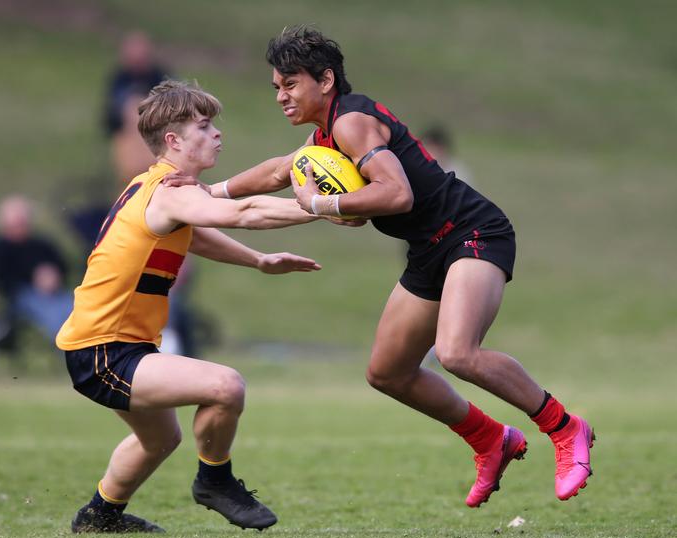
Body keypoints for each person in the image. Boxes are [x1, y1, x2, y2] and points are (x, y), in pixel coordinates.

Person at [195, 26, 595, 508]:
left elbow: (397, 193)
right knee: (388, 372)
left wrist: (325, 207)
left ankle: (565, 427)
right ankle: (491, 438)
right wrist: (209, 193)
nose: (281, 96)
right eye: (277, 87)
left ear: (325, 80)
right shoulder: (326, 132)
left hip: (471, 231)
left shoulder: (351, 123)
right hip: (429, 249)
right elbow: (281, 169)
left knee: (457, 352)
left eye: (290, 84)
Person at [56, 80, 321, 533]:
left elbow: (194, 235)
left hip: (107, 345)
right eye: (204, 125)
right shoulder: (169, 192)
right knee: (225, 386)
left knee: (160, 438)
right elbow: (242, 213)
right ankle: (214, 481)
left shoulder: (156, 187)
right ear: (173, 141)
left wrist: (258, 261)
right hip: (104, 351)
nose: (216, 133)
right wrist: (319, 206)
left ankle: (99, 517)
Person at [0, 195, 74, 346]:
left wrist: (54, 276)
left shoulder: (42, 244)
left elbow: (63, 266)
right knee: (51, 313)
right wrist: (35, 279)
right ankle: (66, 348)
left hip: (55, 293)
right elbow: (3, 280)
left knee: (76, 306)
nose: (20, 228)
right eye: (15, 224)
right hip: (22, 296)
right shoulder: (1, 248)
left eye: (23, 222)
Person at [103, 31, 168, 187]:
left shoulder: (159, 77)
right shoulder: (120, 79)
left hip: (157, 136)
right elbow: (110, 115)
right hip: (127, 139)